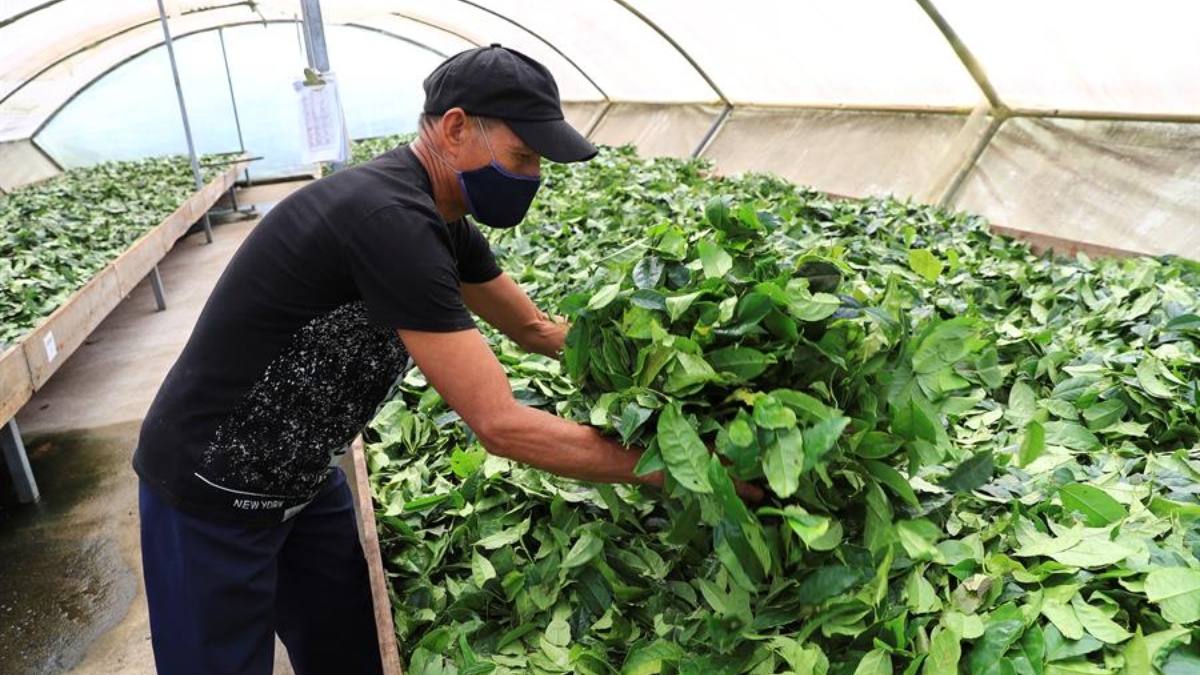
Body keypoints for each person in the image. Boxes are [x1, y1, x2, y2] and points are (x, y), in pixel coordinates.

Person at [132, 43, 727, 675]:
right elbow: (500, 426)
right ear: (456, 128)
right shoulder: (388, 221)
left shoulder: (444, 220)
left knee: (349, 651)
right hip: (214, 484)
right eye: (523, 156)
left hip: (304, 471)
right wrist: (689, 470)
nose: (532, 176)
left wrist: (668, 363)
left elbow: (534, 328)